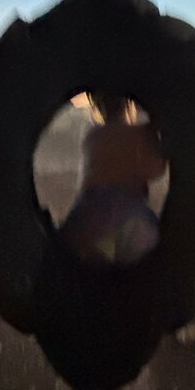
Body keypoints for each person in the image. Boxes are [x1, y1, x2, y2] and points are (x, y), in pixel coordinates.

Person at [59, 91, 166, 265]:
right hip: (128, 212)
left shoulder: (92, 135)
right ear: (130, 104)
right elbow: (155, 170)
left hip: (88, 211)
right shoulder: (139, 133)